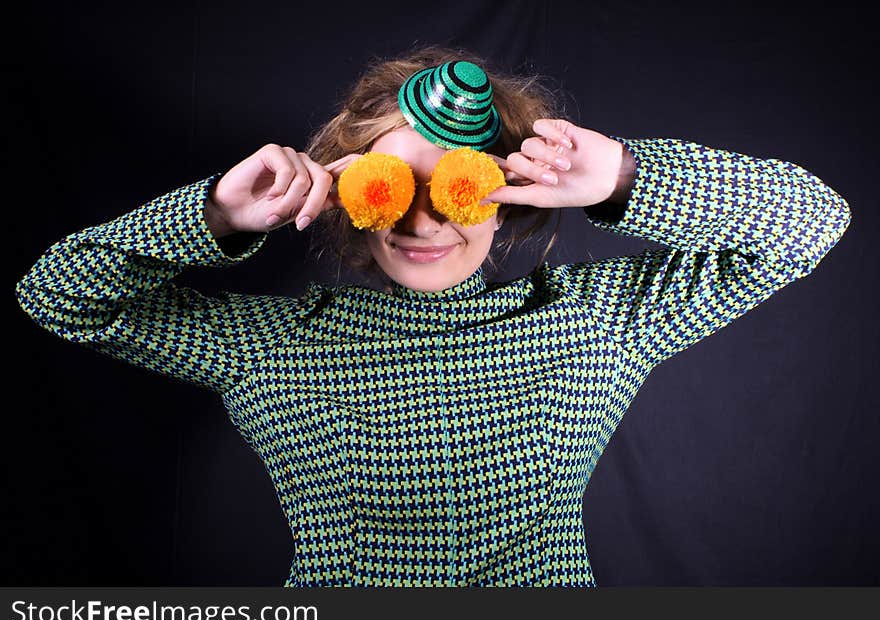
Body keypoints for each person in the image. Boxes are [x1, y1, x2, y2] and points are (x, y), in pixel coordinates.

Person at [15, 45, 851, 587]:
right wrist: (216, 215)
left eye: (453, 185)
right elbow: (55, 293)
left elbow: (812, 221)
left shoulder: (594, 322)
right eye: (391, 187)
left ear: (505, 193)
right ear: (352, 197)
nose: (422, 223)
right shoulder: (269, 344)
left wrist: (625, 177)